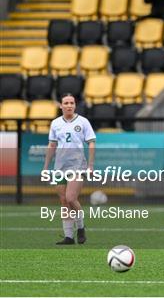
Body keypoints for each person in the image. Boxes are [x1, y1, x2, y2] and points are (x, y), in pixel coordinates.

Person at [43, 94, 96, 245]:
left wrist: (90, 165)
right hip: (60, 166)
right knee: (64, 201)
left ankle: (80, 227)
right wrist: (46, 167)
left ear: (75, 105)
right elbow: (52, 145)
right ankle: (68, 237)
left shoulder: (83, 122)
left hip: (78, 165)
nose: (69, 105)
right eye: (66, 103)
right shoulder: (55, 123)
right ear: (61, 106)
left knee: (71, 198)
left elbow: (91, 143)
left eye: (72, 103)